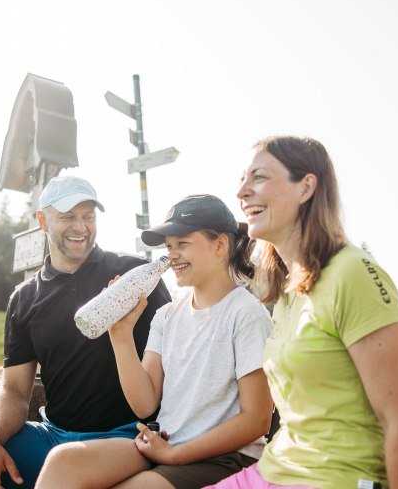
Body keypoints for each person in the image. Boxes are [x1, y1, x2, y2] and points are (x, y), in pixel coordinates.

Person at [0, 175, 171, 489]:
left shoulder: (135, 274)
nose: (80, 226)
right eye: (68, 217)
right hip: (52, 436)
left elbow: (178, 355)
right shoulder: (23, 299)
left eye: (88, 216)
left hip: (128, 436)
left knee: (64, 468)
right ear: (43, 221)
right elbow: (15, 392)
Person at [210, 136, 398, 488]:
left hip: (336, 478)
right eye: (242, 180)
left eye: (259, 177)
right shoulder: (288, 288)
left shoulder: (352, 273)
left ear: (306, 187)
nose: (242, 192)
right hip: (276, 471)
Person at [34, 194, 275, 489]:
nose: (172, 255)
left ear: (220, 245)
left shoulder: (246, 313)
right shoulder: (166, 315)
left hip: (225, 457)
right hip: (165, 445)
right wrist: (120, 336)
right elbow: (145, 403)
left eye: (182, 244)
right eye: (169, 246)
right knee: (64, 462)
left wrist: (175, 455)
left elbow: (257, 419)